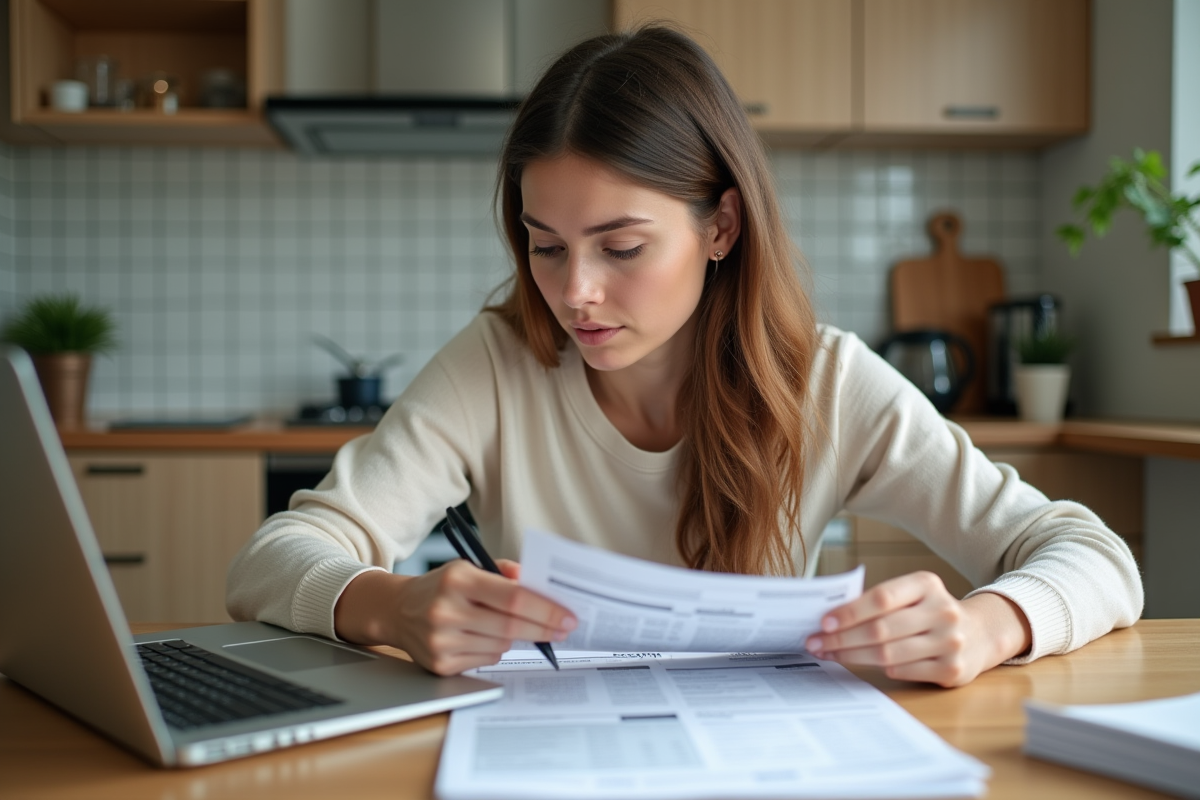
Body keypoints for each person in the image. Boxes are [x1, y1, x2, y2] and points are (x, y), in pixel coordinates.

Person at [227, 26, 1141, 686]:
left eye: (621, 248)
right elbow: (273, 558)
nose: (573, 290)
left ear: (720, 226)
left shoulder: (825, 380)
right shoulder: (498, 363)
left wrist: (988, 625)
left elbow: (1094, 556)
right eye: (546, 245)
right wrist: (390, 604)